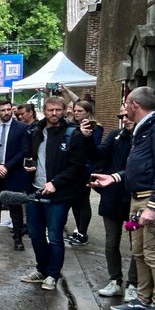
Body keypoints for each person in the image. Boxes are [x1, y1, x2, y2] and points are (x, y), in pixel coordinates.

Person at [93, 87, 155, 310]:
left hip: (149, 198)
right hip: (137, 196)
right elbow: (139, 165)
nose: (124, 112)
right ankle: (142, 299)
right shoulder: (144, 129)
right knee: (140, 252)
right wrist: (114, 177)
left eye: (126, 105)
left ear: (133, 105)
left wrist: (154, 206)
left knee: (154, 253)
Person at [19, 97, 87, 291]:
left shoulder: (72, 134)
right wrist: (28, 165)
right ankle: (41, 269)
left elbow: (77, 166)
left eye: (58, 110)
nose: (54, 113)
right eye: (50, 110)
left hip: (59, 194)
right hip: (35, 190)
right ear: (44, 110)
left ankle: (53, 274)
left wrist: (56, 183)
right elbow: (32, 156)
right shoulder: (34, 131)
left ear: (65, 110)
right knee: (35, 234)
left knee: (55, 236)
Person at [94, 106, 137, 301]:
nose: (125, 119)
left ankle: (133, 284)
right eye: (122, 116)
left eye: (129, 115)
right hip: (112, 197)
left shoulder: (145, 137)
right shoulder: (116, 135)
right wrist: (89, 137)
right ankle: (115, 280)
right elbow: (99, 154)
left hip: (135, 200)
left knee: (136, 244)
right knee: (111, 241)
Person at [0, 99, 29, 250]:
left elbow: (23, 150)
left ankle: (18, 239)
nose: (6, 112)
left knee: (15, 207)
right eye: (3, 110)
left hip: (13, 172)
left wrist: (6, 167)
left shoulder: (21, 128)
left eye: (8, 109)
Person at [65, 100, 102, 247]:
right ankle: (78, 229)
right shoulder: (72, 126)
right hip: (74, 168)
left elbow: (93, 148)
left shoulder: (95, 127)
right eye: (75, 110)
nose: (76, 113)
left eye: (80, 111)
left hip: (86, 169)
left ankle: (83, 232)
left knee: (83, 200)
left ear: (88, 112)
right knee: (75, 201)